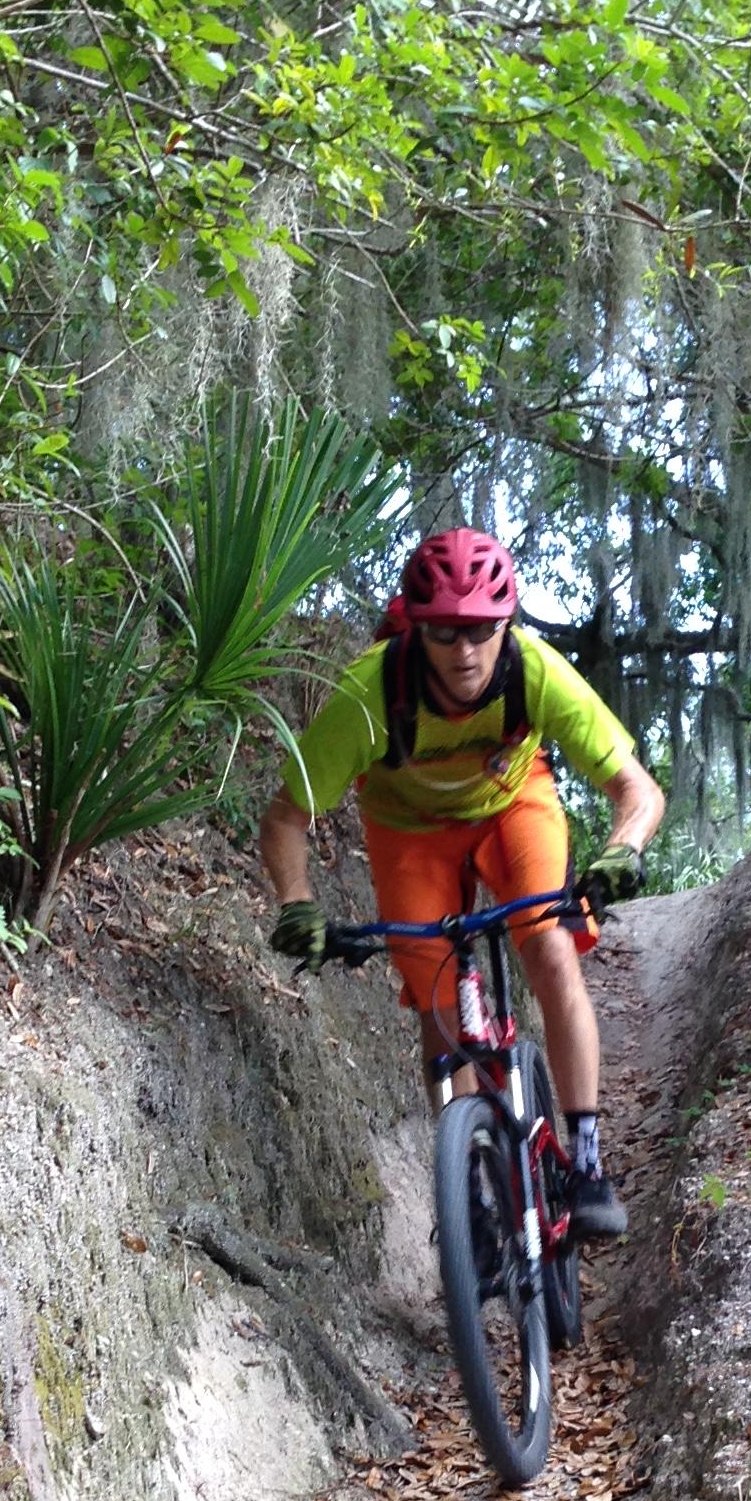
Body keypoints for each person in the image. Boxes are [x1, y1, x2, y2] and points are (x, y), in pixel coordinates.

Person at [258, 527, 665, 1238]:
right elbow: (286, 817)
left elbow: (638, 790)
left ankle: (588, 1160)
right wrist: (297, 904)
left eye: (481, 629)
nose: (465, 650)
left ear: (505, 622)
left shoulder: (533, 669)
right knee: (439, 1006)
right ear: (418, 629)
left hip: (513, 808)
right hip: (408, 830)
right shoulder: (371, 691)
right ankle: (470, 1184)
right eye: (446, 632)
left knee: (546, 946)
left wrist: (620, 851)